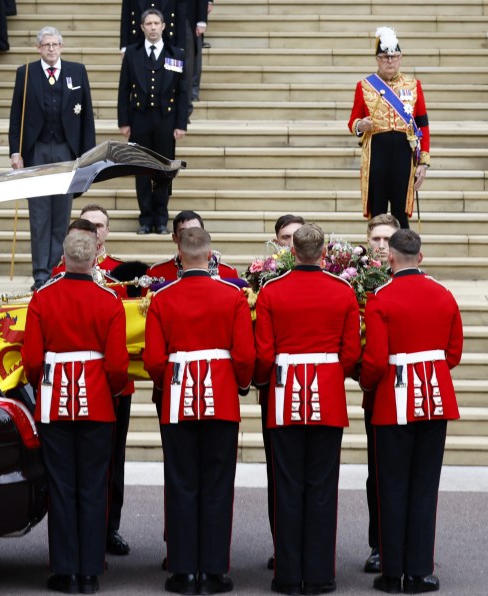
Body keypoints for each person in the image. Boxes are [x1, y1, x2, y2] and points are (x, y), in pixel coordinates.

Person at [144, 227, 254, 595]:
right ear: (210, 255)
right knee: (218, 486)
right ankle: (213, 571)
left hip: (177, 398)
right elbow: (244, 355)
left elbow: (154, 360)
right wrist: (239, 385)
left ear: (180, 252)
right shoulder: (232, 295)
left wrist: (168, 381)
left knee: (180, 484)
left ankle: (182, 570)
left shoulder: (163, 296)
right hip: (221, 396)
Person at [253, 224, 362, 595]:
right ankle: (318, 575)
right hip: (327, 392)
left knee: (287, 485)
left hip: (285, 392)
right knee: (321, 486)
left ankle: (287, 573)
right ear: (323, 253)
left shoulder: (272, 291)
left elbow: (265, 353)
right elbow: (350, 353)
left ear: (294, 252)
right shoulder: (342, 291)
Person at [22, 228, 129, 595]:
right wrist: (109, 390)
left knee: (62, 487)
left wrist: (43, 384)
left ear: (64, 259)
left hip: (54, 403)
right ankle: (89, 570)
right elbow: (117, 365)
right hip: (97, 402)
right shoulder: (109, 299)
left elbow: (32, 359)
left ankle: (65, 570)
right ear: (93, 259)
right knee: (94, 486)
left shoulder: (43, 297)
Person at [360, 229, 463, 594]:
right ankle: (419, 572)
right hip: (434, 399)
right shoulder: (443, 294)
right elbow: (453, 353)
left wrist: (367, 384)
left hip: (393, 400)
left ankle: (392, 573)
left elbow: (373, 361)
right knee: (423, 487)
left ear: (390, 258)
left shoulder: (381, 298)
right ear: (420, 257)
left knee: (391, 486)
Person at [8, 26, 96, 291]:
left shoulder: (76, 71)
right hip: (37, 151)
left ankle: (59, 269)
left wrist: (88, 156)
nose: (50, 48)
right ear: (38, 48)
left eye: (55, 44)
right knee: (39, 216)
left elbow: (87, 117)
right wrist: (16, 151)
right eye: (46, 45)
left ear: (61, 46)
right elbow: (15, 116)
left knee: (61, 214)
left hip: (66, 151)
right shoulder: (26, 73)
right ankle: (40, 275)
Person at [257, 212, 307, 572]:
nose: (290, 244)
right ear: (276, 242)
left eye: (296, 237)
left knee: (316, 476)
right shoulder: (263, 279)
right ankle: (284, 547)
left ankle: (313, 548)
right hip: (277, 389)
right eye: (285, 238)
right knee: (281, 475)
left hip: (316, 387)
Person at [348, 27, 430, 230]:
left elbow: (423, 124)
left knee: (401, 210)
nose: (390, 61)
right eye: (385, 57)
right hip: (377, 151)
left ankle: (404, 254)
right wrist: (361, 125)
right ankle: (376, 256)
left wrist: (423, 163)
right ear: (377, 59)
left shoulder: (413, 85)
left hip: (404, 151)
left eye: (394, 56)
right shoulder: (365, 86)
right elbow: (352, 121)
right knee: (377, 208)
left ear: (400, 58)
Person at [118, 8, 188, 235]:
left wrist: (181, 123)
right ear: (142, 27)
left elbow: (182, 92)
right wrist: (124, 121)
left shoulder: (175, 53)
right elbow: (124, 89)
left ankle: (161, 217)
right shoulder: (132, 53)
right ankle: (145, 219)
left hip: (166, 119)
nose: (153, 27)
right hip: (139, 118)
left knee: (164, 170)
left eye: (157, 23)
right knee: (141, 169)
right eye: (149, 23)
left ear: (164, 26)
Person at [360, 212, 400, 574]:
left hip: (402, 386)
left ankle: (402, 543)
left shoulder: (403, 281)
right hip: (375, 391)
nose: (382, 246)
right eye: (377, 240)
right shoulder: (354, 279)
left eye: (388, 240)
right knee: (376, 473)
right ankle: (378, 544)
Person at [146, 211, 238, 289]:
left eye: (196, 231)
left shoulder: (228, 272)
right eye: (183, 232)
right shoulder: (156, 272)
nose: (190, 236)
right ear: (174, 238)